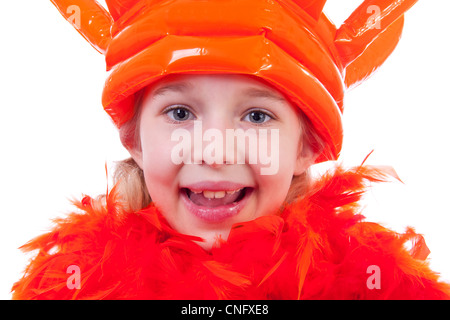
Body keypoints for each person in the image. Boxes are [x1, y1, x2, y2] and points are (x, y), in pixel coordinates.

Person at [12, 0, 450, 299]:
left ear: (306, 146)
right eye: (180, 113)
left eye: (257, 117)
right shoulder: (72, 285)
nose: (215, 151)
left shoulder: (375, 285)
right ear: (134, 140)